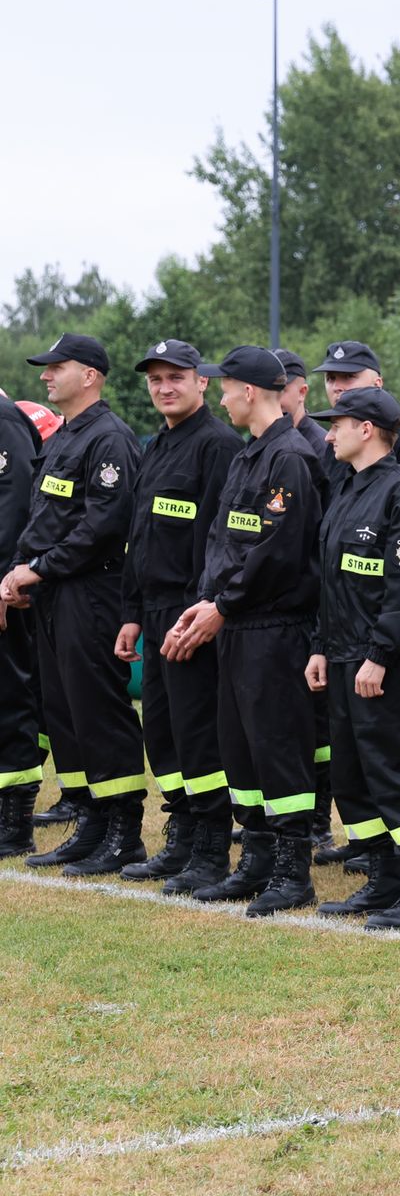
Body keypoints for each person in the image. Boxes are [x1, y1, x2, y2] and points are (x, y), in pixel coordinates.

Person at [160, 345, 324, 914]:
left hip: (274, 627)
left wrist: (221, 607)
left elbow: (276, 554)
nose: (222, 396)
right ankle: (255, 858)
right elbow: (222, 541)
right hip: (236, 625)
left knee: (278, 747)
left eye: (225, 387)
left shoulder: (291, 459)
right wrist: (206, 601)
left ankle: (291, 869)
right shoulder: (249, 456)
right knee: (241, 748)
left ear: (249, 391)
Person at [3, 333, 148, 875]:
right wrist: (20, 572)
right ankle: (90, 821)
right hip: (51, 595)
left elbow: (101, 527)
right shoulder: (64, 437)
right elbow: (41, 519)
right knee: (63, 711)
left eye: (56, 367)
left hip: (91, 592)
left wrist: (35, 568)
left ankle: (123, 829)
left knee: (98, 710)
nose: (45, 376)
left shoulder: (109, 439)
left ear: (89, 375)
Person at [306, 387, 400, 928]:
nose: (327, 433)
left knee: (397, 770)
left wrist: (381, 655)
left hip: (381, 664)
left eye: (336, 424)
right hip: (341, 656)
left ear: (367, 429)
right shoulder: (346, 488)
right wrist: (321, 647)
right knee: (353, 774)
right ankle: (383, 883)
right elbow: (332, 582)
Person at [114, 341, 243, 891]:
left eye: (175, 378)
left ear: (202, 384)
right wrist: (131, 613)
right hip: (154, 609)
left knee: (198, 734)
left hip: (192, 610)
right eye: (156, 379)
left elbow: (219, 541)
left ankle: (212, 849)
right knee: (163, 733)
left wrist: (203, 610)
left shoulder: (217, 445)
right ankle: (183, 837)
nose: (164, 387)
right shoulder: (157, 444)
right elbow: (140, 537)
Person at [274, 347, 342, 864]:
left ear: (299, 390)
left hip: (316, 603)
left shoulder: (321, 445)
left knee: (318, 725)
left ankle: (319, 822)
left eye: (285, 385)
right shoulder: (264, 447)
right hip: (287, 607)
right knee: (297, 722)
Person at [0, 385, 48, 857]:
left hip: (4, 594)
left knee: (8, 700)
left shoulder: (5, 421)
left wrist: (2, 582)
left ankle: (13, 822)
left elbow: (13, 513)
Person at [312, 342, 400, 469]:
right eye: (331, 378)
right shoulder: (334, 441)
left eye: (349, 376)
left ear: (377, 384)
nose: (337, 387)